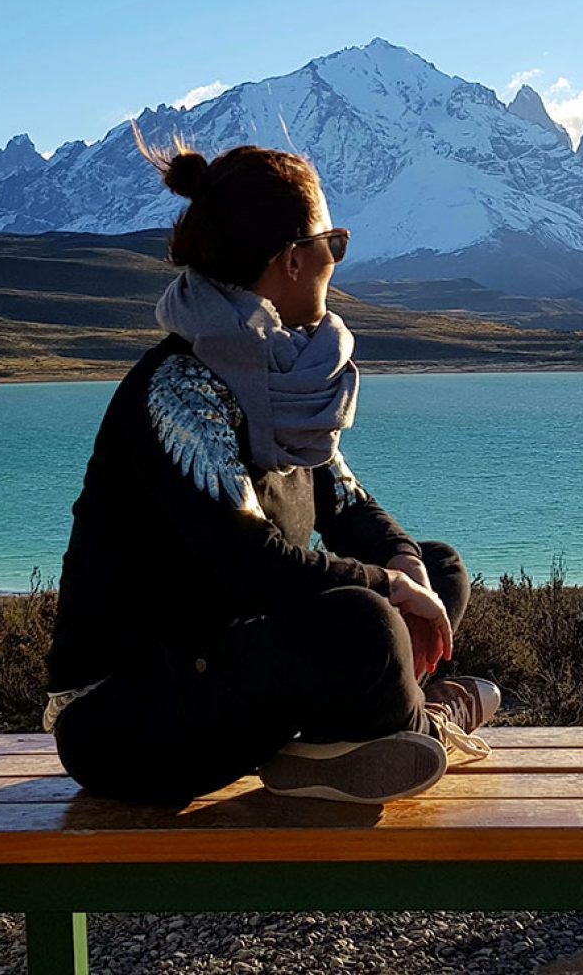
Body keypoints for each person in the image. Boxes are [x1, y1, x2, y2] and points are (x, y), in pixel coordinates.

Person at [40, 124, 500, 806]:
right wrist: (386, 591)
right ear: (290, 260)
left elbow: (346, 504)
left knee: (438, 569)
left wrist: (402, 567)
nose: (337, 260)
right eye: (332, 244)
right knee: (366, 625)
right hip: (129, 713)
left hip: (231, 664)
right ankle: (420, 725)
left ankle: (331, 747)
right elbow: (248, 561)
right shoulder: (184, 386)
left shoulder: (280, 381)